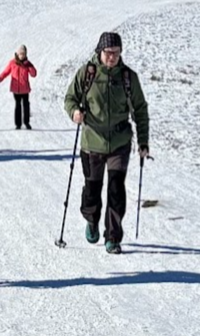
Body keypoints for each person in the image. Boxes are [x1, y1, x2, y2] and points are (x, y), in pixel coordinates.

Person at [64, 31, 150, 255]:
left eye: (116, 53)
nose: (112, 57)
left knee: (115, 189)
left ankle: (113, 237)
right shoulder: (87, 74)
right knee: (92, 190)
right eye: (108, 53)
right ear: (99, 51)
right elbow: (70, 98)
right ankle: (91, 220)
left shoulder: (128, 78)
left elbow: (140, 110)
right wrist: (74, 112)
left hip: (119, 143)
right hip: (92, 141)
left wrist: (143, 142)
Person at [0, 44, 37, 129]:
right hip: (16, 89)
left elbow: (34, 74)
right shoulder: (12, 63)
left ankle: (26, 123)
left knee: (26, 105)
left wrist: (30, 66)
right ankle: (18, 124)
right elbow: (5, 72)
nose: (22, 56)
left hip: (25, 89)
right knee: (18, 105)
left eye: (23, 54)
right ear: (17, 53)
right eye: (20, 54)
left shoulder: (27, 63)